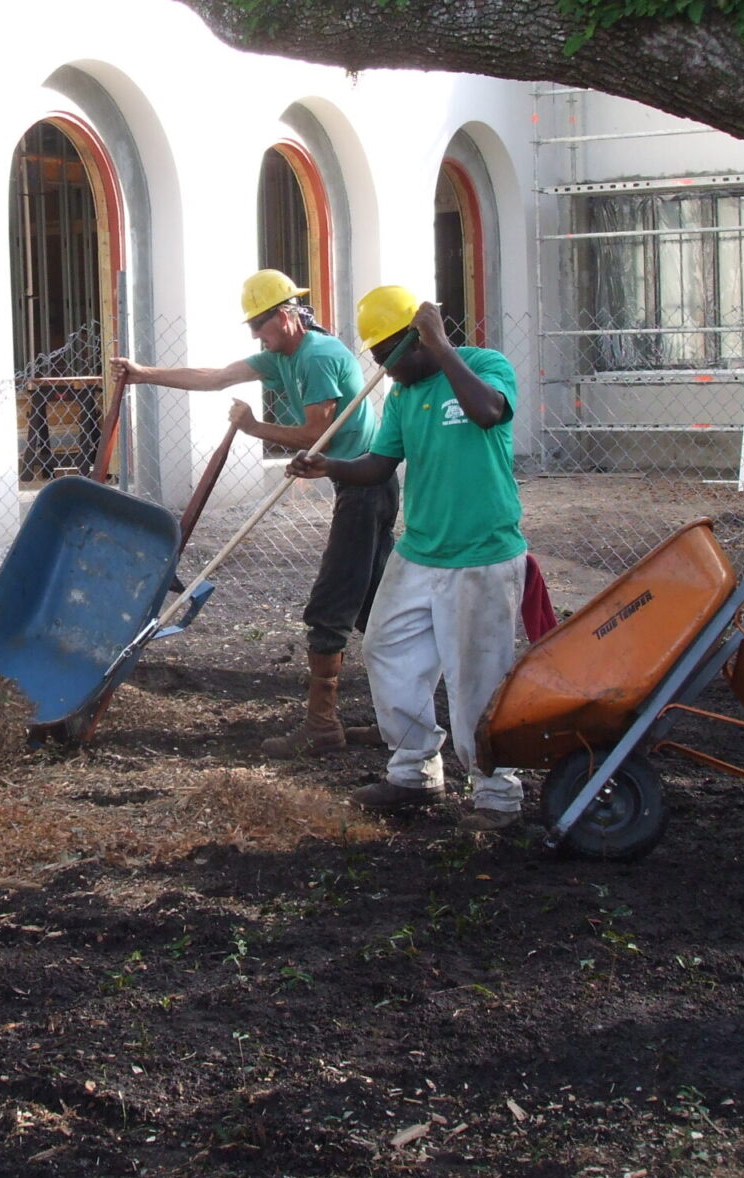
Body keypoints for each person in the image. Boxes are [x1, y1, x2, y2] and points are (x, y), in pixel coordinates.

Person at [111, 269, 397, 757]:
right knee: (378, 606)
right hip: (357, 484)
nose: (255, 335)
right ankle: (401, 722)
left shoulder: (318, 357)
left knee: (332, 605)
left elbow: (313, 434)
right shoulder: (279, 355)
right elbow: (217, 377)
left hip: (365, 487)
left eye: (260, 325)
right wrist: (144, 374)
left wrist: (253, 427)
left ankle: (323, 727)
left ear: (286, 317)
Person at [289, 286, 528, 831]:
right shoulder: (402, 397)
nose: (385, 371)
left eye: (389, 355)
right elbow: (377, 464)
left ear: (420, 338)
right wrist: (327, 465)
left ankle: (497, 793)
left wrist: (443, 348)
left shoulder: (483, 366)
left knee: (476, 676)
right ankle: (414, 771)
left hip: (482, 552)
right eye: (375, 358)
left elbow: (490, 413)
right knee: (386, 646)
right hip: (420, 551)